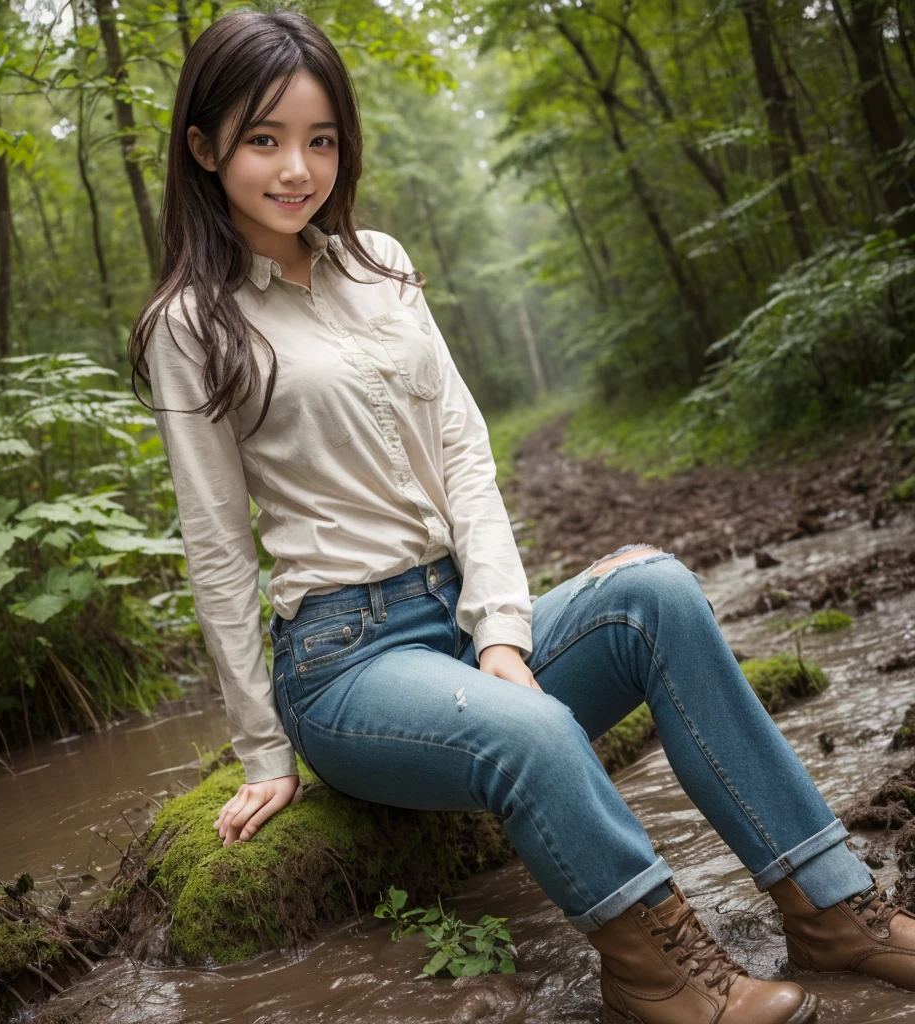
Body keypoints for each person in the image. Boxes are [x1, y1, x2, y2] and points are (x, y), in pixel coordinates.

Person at [128, 10, 915, 1022]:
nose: (297, 168)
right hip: (347, 664)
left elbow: (464, 452)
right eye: (263, 139)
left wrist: (501, 628)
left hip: (455, 619)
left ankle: (829, 908)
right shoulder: (189, 323)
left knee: (655, 593)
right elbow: (216, 547)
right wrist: (262, 752)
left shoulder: (380, 262)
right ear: (202, 147)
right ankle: (656, 969)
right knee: (534, 728)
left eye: (319, 138)